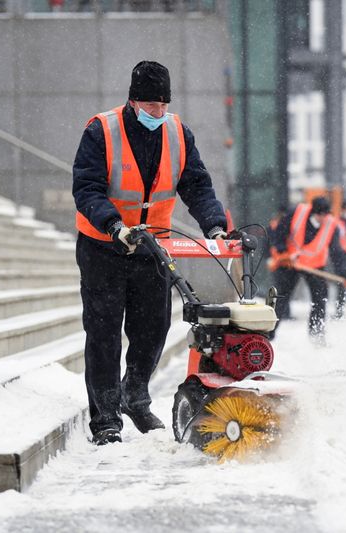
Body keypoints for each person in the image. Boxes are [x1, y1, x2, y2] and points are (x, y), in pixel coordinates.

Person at [72, 61, 228, 446]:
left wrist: (215, 225)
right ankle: (106, 418)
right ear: (132, 100)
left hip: (151, 246)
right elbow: (87, 187)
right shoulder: (101, 131)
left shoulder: (177, 133)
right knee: (104, 331)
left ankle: (135, 396)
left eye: (163, 106)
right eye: (149, 106)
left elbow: (196, 184)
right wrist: (114, 225)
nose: (157, 113)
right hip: (103, 246)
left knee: (153, 326)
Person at [270, 196, 344, 344]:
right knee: (281, 299)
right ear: (314, 212)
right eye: (321, 215)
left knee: (320, 298)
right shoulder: (297, 213)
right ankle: (269, 333)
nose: (324, 218)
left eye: (326, 214)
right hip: (291, 263)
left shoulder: (331, 225)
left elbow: (336, 252)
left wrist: (344, 274)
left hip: (314, 266)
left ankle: (316, 334)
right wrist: (283, 251)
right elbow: (279, 232)